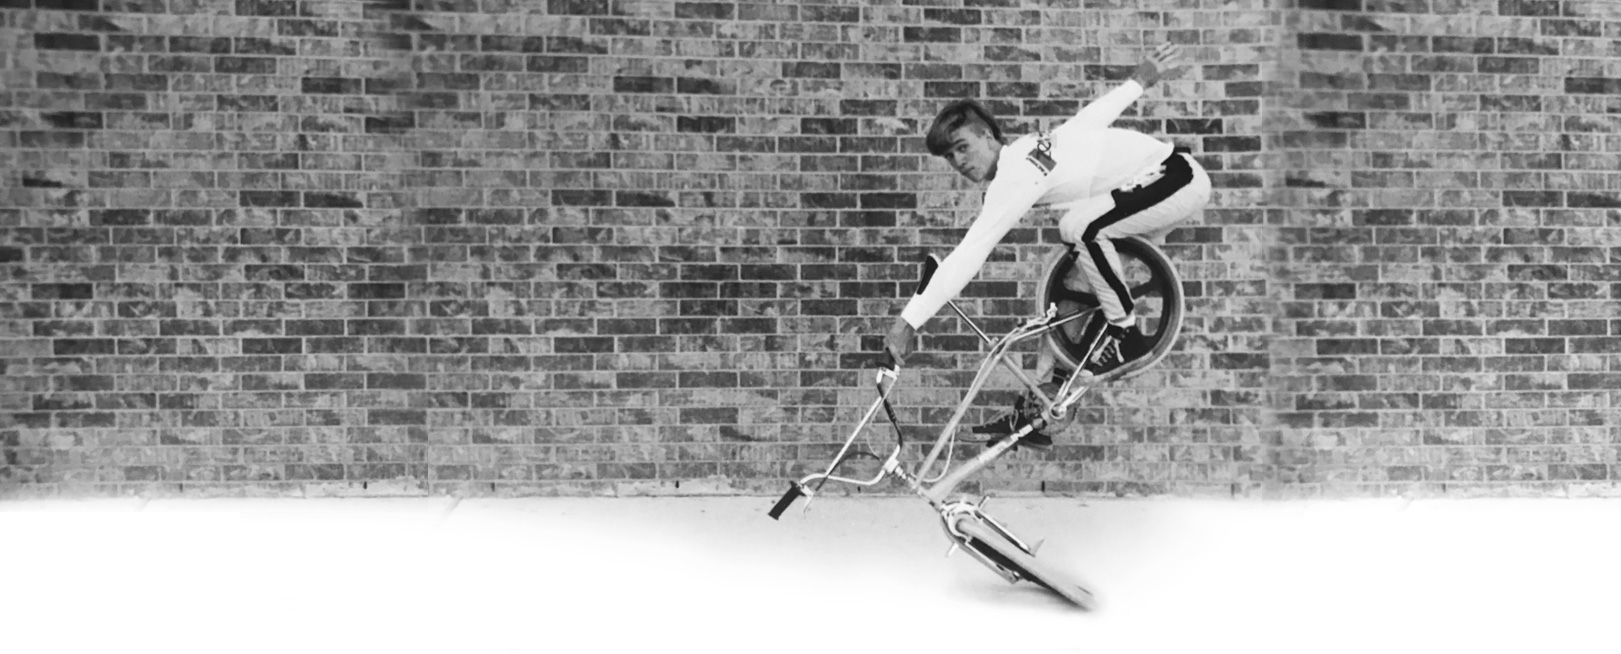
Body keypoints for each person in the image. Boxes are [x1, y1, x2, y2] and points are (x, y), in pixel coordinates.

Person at [883, 43, 1212, 448]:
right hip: (1144, 187)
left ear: (987, 135)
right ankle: (1039, 407)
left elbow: (970, 252)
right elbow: (1088, 120)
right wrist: (1139, 80)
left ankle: (1123, 329)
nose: (959, 161)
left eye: (963, 147)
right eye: (950, 156)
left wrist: (909, 320)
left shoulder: (1017, 171)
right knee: (1069, 294)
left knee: (1078, 226)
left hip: (1174, 178)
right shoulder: (1036, 148)